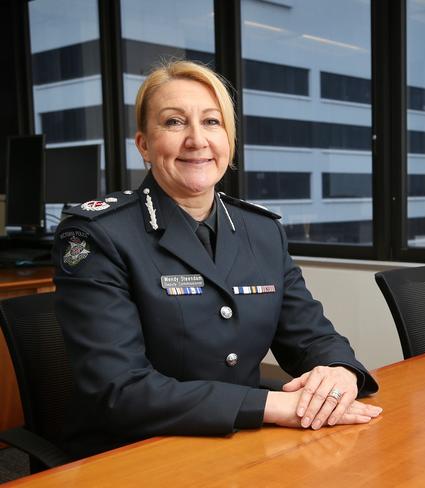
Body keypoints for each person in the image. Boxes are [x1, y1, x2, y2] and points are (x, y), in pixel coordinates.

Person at [53, 60, 381, 460]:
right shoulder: (98, 234)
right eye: (174, 122)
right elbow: (120, 391)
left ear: (230, 139)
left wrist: (339, 372)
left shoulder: (261, 231)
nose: (197, 140)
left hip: (241, 443)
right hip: (133, 452)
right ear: (143, 144)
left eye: (212, 122)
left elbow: (311, 335)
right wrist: (275, 406)